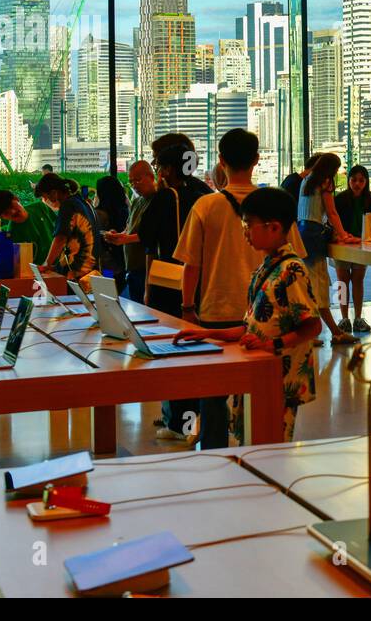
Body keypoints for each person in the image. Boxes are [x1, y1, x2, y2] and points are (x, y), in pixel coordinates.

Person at [175, 187, 321, 441]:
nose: (245, 232)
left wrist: (270, 344)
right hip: (258, 372)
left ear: (274, 228)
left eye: (249, 225)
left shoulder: (292, 270)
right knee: (250, 442)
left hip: (279, 377)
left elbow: (312, 327)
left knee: (271, 448)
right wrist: (207, 333)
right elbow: (249, 326)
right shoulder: (265, 268)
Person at [173, 128, 267, 450]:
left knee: (213, 397)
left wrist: (187, 308)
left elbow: (191, 265)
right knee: (262, 391)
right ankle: (260, 455)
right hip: (262, 316)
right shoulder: (272, 206)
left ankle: (214, 456)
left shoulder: (205, 206)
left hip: (215, 312)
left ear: (221, 160)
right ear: (256, 160)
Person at [136, 134, 212, 441]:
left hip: (169, 281)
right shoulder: (204, 192)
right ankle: (187, 419)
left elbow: (145, 235)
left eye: (158, 164)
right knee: (195, 350)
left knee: (172, 348)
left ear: (167, 169)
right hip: (201, 279)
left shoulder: (167, 197)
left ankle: (180, 423)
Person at [298, 152, 360, 345]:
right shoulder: (325, 182)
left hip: (301, 232)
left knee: (308, 284)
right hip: (314, 235)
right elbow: (332, 212)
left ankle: (314, 333)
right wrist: (343, 235)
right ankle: (334, 332)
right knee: (320, 284)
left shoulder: (307, 180)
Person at [333, 164, 371, 334]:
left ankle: (358, 318)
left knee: (358, 280)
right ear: (349, 181)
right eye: (353, 180)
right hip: (343, 244)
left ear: (366, 182)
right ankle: (344, 318)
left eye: (361, 180)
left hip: (362, 245)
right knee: (342, 281)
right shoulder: (340, 198)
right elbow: (332, 220)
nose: (357, 184)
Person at [103, 160, 156, 304]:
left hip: (145, 267)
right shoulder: (137, 201)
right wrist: (119, 235)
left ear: (151, 176)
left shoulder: (158, 200)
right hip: (130, 267)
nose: (134, 185)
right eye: (131, 182)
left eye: (138, 180)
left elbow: (151, 234)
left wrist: (124, 239)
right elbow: (129, 228)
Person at [34, 174, 102, 282]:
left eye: (45, 197)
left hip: (76, 274)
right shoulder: (83, 202)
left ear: (53, 193)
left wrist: (47, 263)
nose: (45, 200)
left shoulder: (67, 206)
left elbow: (60, 238)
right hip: (91, 271)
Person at [0, 188, 55, 257]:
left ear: (16, 198)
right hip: (39, 267)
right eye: (6, 213)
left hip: (61, 260)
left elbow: (59, 227)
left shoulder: (40, 207)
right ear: (3, 217)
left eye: (11, 206)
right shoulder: (12, 234)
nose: (13, 212)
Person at [93, 175, 129, 287]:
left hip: (105, 265)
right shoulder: (125, 210)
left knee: (107, 290)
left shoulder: (99, 214)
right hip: (122, 262)